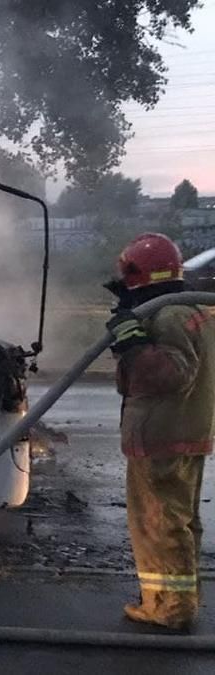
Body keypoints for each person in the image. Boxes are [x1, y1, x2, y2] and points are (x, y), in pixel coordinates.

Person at [105, 232, 215, 631]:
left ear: (139, 274)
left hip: (160, 435)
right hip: (187, 428)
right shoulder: (191, 311)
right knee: (179, 521)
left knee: (158, 523)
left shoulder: (168, 316)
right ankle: (177, 599)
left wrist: (132, 342)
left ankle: (168, 609)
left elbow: (171, 374)